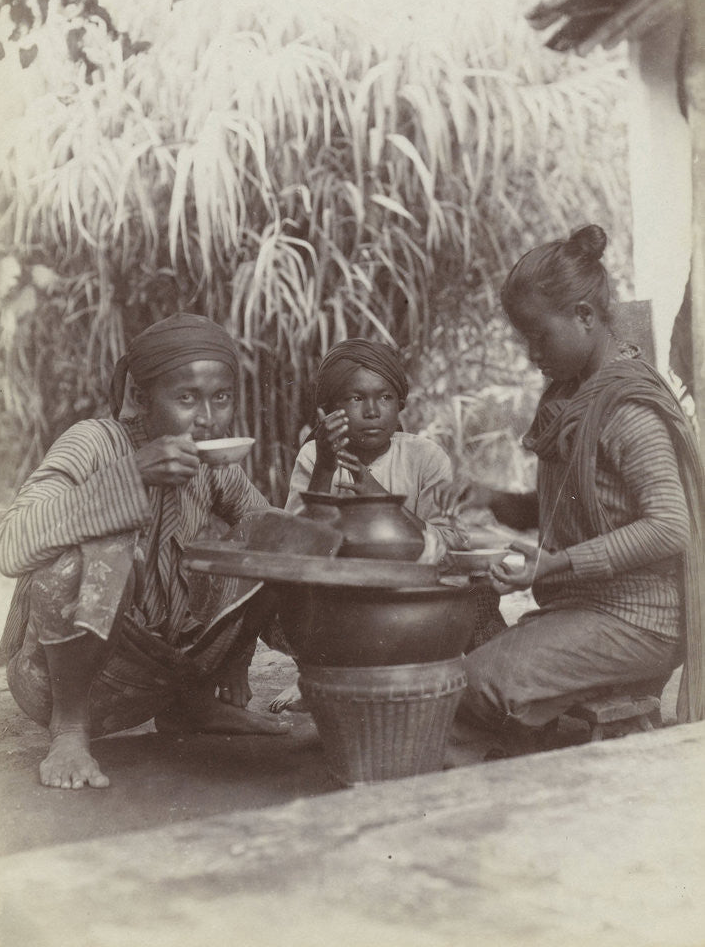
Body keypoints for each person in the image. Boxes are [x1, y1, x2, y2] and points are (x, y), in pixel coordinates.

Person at [0, 313, 290, 791]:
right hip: (69, 685)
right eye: (186, 398)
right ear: (139, 396)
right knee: (99, 546)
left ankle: (194, 705)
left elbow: (275, 532)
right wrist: (130, 475)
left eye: (221, 398)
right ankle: (69, 732)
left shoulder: (211, 464)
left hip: (163, 679)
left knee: (268, 536)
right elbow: (10, 546)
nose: (208, 418)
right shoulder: (93, 442)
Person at [457, 225, 705, 751]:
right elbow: (574, 507)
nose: (532, 353)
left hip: (640, 620)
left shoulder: (627, 409)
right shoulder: (574, 396)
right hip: (590, 608)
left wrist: (558, 564)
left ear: (585, 316)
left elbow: (670, 527)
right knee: (464, 647)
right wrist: (493, 499)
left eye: (539, 336)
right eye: (525, 339)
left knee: (470, 683)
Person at [270, 337, 504, 712]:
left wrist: (378, 498)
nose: (372, 411)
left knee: (479, 594)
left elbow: (449, 544)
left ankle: (497, 684)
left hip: (411, 600)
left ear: (400, 404)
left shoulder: (425, 457)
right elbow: (297, 547)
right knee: (273, 594)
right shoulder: (314, 456)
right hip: (343, 600)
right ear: (328, 411)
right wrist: (326, 469)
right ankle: (317, 677)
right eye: (355, 398)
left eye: (385, 397)